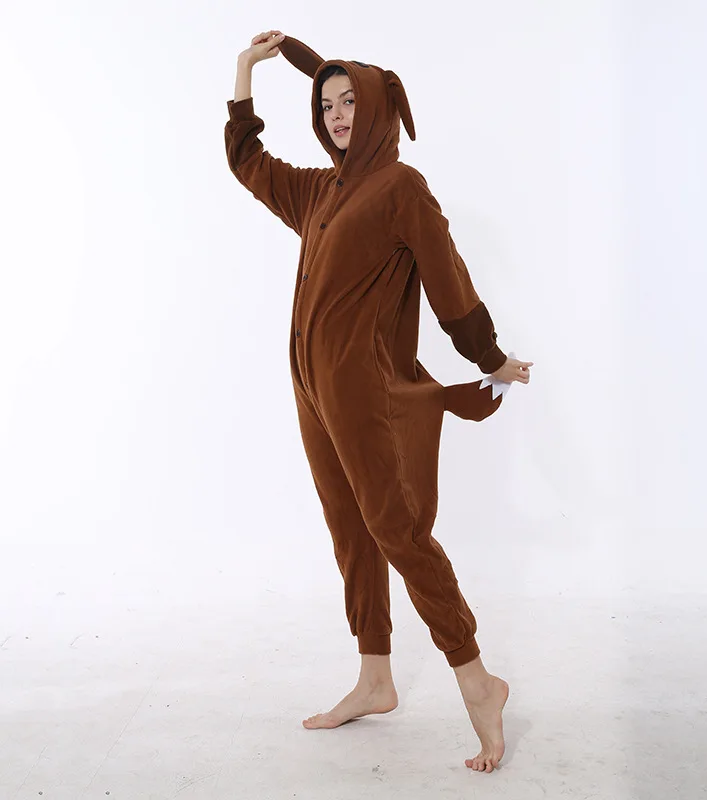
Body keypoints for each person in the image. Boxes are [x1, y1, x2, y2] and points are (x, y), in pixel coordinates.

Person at [225, 30, 533, 774]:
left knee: (396, 529)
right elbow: (248, 163)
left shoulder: (401, 187)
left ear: (375, 110)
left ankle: (477, 680)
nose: (336, 115)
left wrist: (490, 357)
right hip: (310, 389)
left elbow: (449, 282)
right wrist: (244, 73)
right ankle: (375, 678)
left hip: (361, 390)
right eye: (326, 104)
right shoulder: (319, 191)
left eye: (348, 102)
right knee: (350, 530)